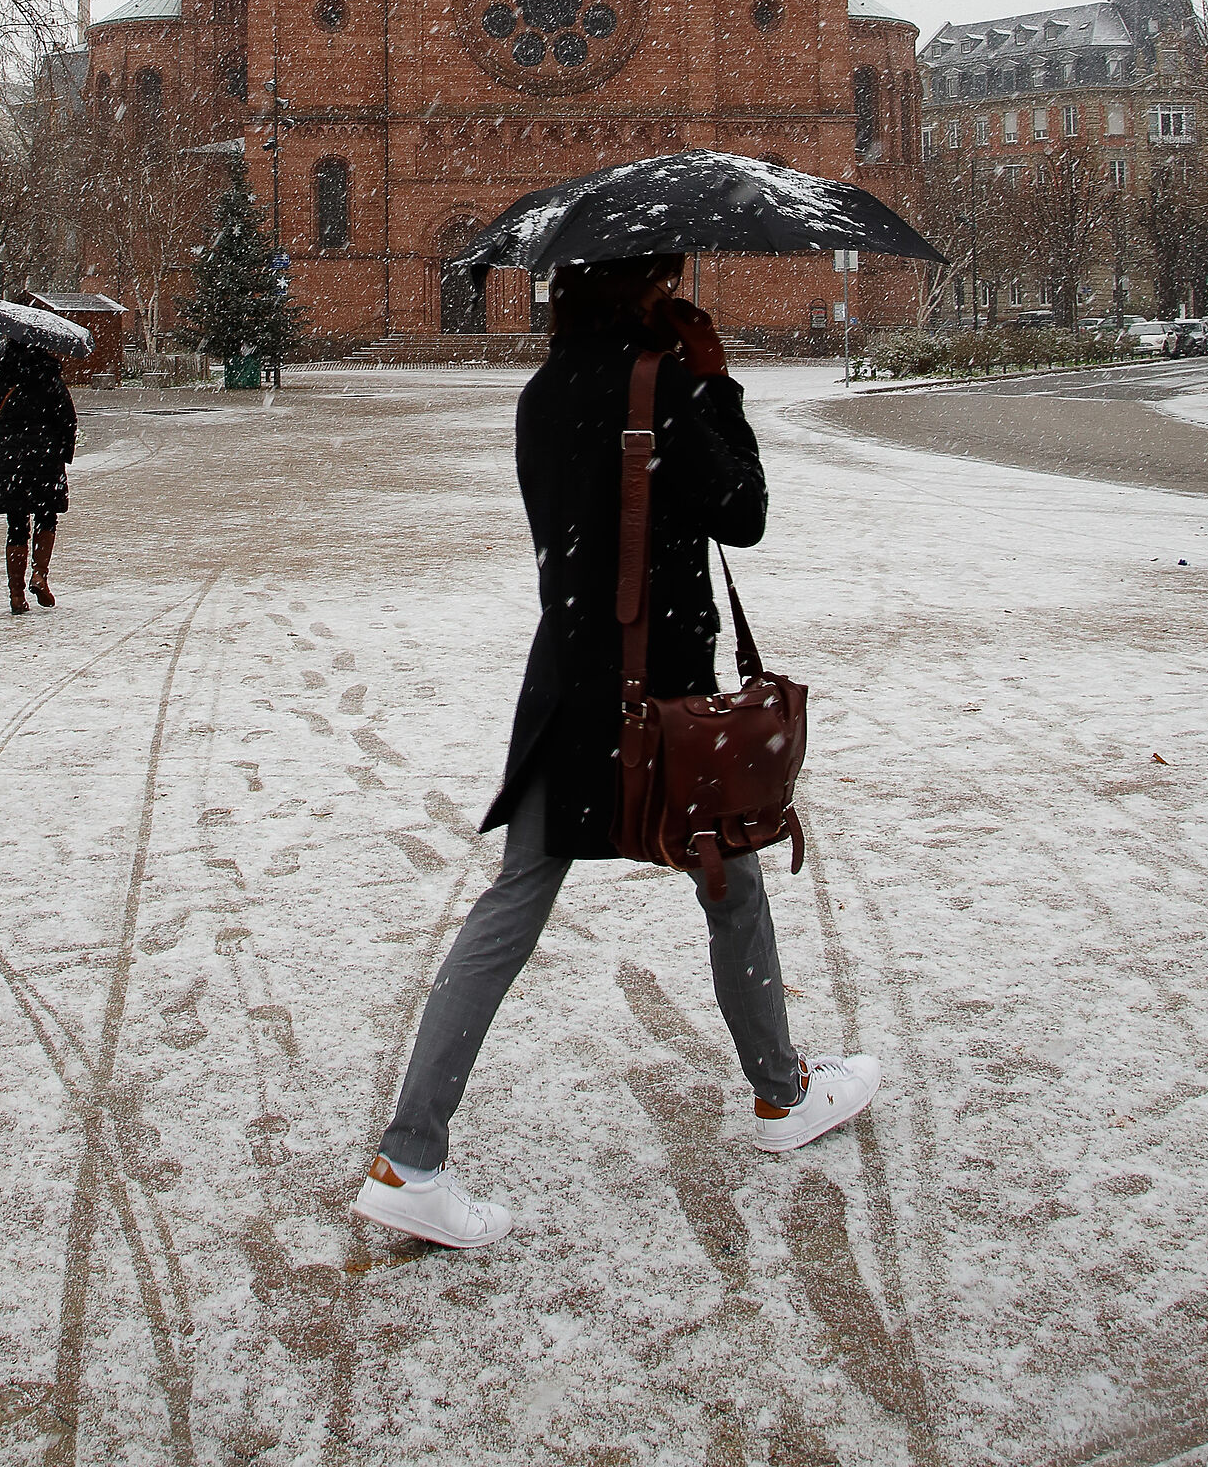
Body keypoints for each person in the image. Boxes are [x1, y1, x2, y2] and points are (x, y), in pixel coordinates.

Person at [354, 254, 880, 1251]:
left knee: (512, 909)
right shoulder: (668, 387)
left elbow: (575, 531)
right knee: (729, 885)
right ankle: (781, 1094)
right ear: (648, 289)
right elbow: (746, 514)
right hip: (662, 699)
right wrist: (713, 384)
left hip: (566, 689)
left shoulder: (543, 392)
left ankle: (410, 1155)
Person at [0, 327, 77, 614]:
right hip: (45, 459)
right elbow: (68, 420)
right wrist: (63, 455)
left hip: (10, 460)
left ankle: (16, 594)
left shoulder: (4, 375)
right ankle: (39, 574)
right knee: (47, 518)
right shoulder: (49, 377)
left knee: (17, 525)